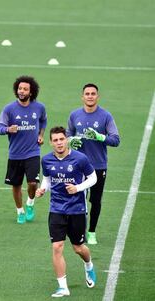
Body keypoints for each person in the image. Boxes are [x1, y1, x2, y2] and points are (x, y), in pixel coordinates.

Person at [36, 126, 97, 298]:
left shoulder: (80, 159)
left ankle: (89, 265)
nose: (59, 143)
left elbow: (93, 178)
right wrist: (42, 189)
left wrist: (77, 188)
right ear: (51, 143)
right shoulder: (46, 160)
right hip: (56, 209)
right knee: (57, 246)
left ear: (67, 140)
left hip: (77, 209)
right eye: (55, 140)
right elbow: (47, 180)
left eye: (61, 139)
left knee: (78, 248)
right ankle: (63, 287)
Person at [67, 83, 120, 244]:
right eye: (87, 93)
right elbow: (67, 135)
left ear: (98, 96)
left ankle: (92, 232)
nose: (90, 96)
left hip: (98, 165)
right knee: (79, 199)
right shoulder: (74, 115)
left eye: (93, 93)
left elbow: (116, 140)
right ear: (82, 97)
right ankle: (80, 231)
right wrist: (71, 140)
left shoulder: (106, 116)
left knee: (95, 200)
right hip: (79, 166)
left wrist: (100, 137)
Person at [0, 76, 47, 224]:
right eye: (20, 89)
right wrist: (7, 129)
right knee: (16, 185)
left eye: (25, 89)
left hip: (33, 152)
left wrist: (41, 135)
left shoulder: (39, 107)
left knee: (32, 183)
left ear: (31, 92)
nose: (22, 91)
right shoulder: (9, 109)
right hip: (15, 154)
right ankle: (20, 211)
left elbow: (43, 120)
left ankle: (30, 203)